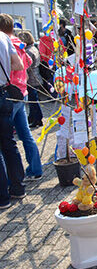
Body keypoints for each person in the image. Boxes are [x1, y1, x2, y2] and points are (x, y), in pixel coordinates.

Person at [0, 19, 44, 182]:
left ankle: (14, 178)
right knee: (25, 134)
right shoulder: (19, 43)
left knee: (7, 140)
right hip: (21, 90)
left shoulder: (6, 43)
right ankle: (35, 169)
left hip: (9, 93)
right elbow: (29, 63)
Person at [0, 14, 27, 209]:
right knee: (9, 142)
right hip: (5, 93)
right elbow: (18, 65)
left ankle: (2, 197)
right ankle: (17, 187)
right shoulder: (5, 39)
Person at [17, 31, 43, 128]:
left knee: (33, 100)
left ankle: (37, 119)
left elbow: (26, 66)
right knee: (33, 99)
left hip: (31, 78)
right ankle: (33, 117)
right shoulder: (33, 48)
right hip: (36, 77)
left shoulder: (28, 51)